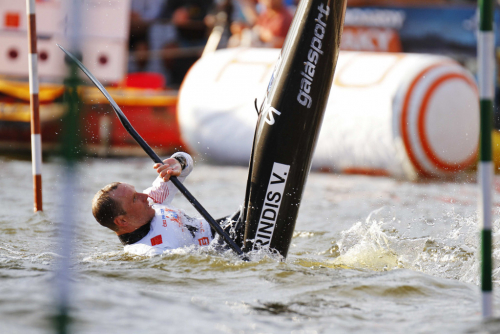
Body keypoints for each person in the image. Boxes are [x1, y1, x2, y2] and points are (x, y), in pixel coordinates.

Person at [92, 152, 243, 256]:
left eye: (136, 191)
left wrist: (178, 163)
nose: (144, 196)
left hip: (224, 227)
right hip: (224, 248)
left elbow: (186, 161)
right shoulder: (149, 251)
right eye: (134, 198)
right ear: (122, 221)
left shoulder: (153, 199)